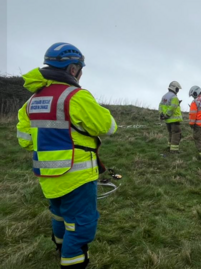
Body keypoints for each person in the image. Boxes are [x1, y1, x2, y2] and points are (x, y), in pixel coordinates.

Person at [16, 42, 117, 268]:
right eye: (80, 69)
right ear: (73, 69)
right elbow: (108, 126)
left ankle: (60, 246)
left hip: (47, 175)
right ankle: (72, 260)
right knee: (81, 225)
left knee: (59, 215)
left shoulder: (30, 102)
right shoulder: (76, 97)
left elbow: (24, 141)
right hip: (77, 176)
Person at [159, 81, 183, 153]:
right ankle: (174, 151)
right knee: (176, 134)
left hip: (167, 120)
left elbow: (160, 106)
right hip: (174, 120)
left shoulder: (164, 96)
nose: (178, 91)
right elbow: (172, 107)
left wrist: (162, 114)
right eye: (177, 89)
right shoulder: (174, 97)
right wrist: (167, 115)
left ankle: (169, 147)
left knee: (171, 133)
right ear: (175, 88)